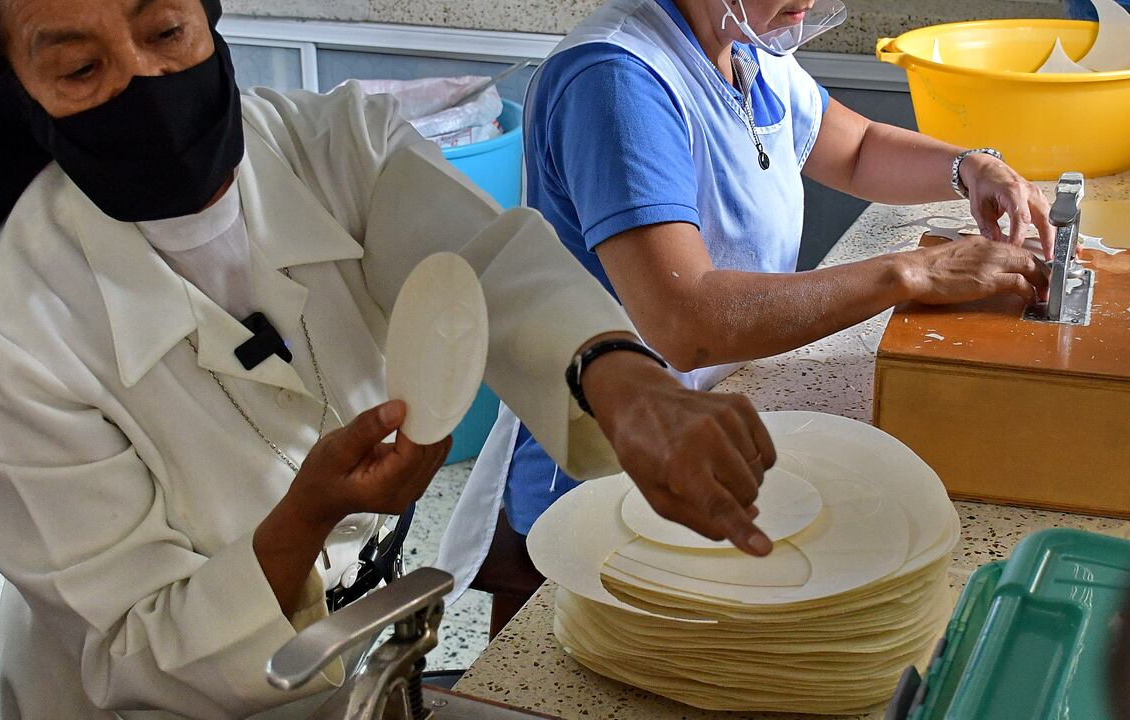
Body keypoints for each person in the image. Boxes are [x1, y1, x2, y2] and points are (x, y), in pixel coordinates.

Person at [0, 0, 787, 717]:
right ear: (18, 92)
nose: (145, 86)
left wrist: (628, 383)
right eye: (80, 71)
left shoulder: (334, 145)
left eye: (164, 32)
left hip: (340, 670)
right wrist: (304, 519)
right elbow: (133, 646)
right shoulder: (3, 337)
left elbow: (484, 267)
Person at [439, 0, 1055, 624]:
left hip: (711, 416)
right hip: (607, 465)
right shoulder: (618, 81)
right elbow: (687, 323)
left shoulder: (745, 45)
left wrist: (968, 166)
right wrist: (909, 272)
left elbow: (858, 149)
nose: (808, 2)